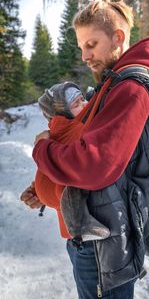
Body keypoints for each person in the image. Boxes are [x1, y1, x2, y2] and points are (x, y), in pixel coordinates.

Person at [20, 0, 149, 299]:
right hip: (94, 238)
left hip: (103, 246)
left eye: (91, 44)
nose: (84, 55)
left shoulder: (132, 87)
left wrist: (42, 149)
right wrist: (47, 185)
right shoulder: (115, 83)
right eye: (81, 46)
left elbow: (96, 166)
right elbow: (86, 145)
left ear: (118, 37)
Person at [36, 81, 110, 241]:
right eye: (76, 104)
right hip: (81, 235)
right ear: (62, 114)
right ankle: (80, 225)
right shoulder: (73, 128)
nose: (85, 104)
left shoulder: (59, 130)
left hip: (78, 234)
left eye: (82, 99)